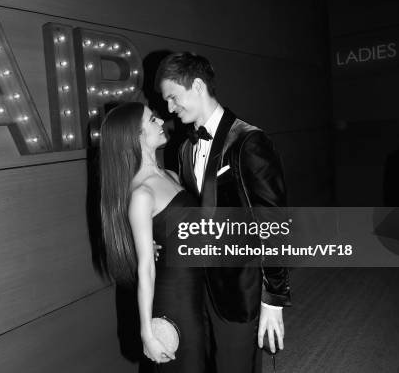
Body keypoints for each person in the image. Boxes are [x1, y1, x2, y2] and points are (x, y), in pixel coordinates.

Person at [155, 52, 291, 373]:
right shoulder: (183, 147)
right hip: (196, 287)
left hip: (238, 288)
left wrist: (273, 296)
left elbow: (274, 221)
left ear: (198, 86)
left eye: (173, 97)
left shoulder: (248, 141)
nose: (170, 108)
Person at [99, 101, 206, 372]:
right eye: (153, 121)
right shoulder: (141, 194)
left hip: (198, 290)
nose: (162, 123)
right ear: (134, 137)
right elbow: (146, 267)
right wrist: (146, 332)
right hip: (174, 300)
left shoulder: (169, 174)